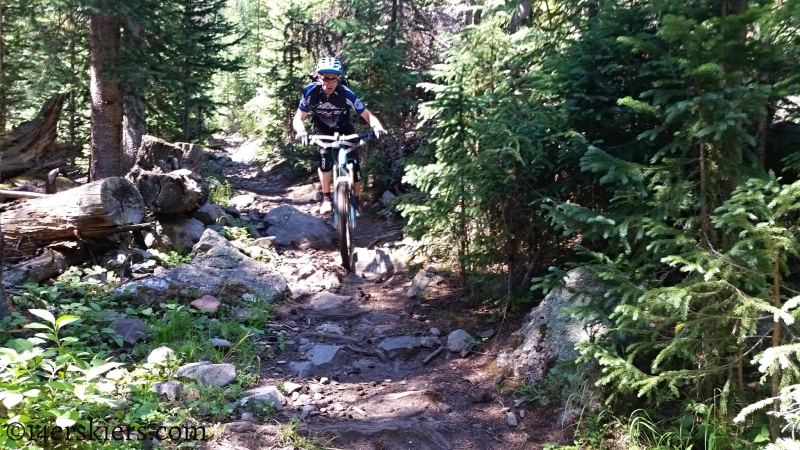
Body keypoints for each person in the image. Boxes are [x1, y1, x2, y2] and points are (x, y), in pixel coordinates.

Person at [292, 56, 386, 215]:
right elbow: (298, 118)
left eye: (333, 79)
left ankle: (356, 199)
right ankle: (327, 198)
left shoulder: (346, 94)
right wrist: (301, 131)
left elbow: (367, 114)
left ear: (338, 79)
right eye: (325, 78)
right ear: (318, 76)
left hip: (345, 128)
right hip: (322, 128)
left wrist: (377, 127)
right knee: (325, 159)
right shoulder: (311, 93)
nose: (329, 83)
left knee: (354, 164)